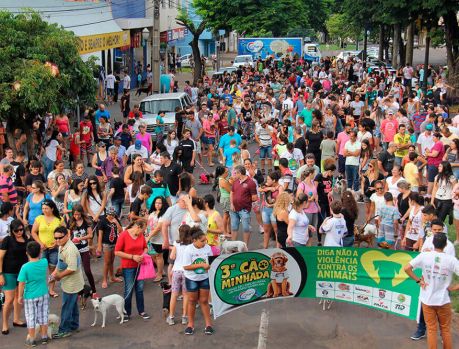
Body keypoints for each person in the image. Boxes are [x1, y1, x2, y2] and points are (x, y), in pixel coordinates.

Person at [404, 233, 459, 349]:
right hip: (443, 300)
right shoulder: (451, 260)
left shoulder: (424, 256)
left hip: (427, 299)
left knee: (431, 329)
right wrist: (454, 287)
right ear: (445, 245)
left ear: (433, 243)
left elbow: (406, 268)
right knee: (445, 329)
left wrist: (418, 281)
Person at [51, 226, 84, 339]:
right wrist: (54, 273)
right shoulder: (62, 246)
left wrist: (58, 276)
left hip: (72, 284)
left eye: (60, 237)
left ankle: (64, 329)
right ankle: (74, 325)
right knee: (72, 304)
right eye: (56, 238)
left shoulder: (70, 249)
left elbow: (71, 268)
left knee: (67, 306)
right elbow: (60, 263)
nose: (58, 240)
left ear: (67, 235)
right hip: (69, 282)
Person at [114, 220, 150, 322]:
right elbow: (116, 252)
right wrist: (132, 257)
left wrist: (143, 255)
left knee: (140, 288)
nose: (143, 233)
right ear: (138, 227)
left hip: (140, 266)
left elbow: (145, 247)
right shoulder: (124, 235)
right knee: (128, 290)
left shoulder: (140, 236)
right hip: (128, 266)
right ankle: (126, 313)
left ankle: (141, 311)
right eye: (143, 230)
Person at [182, 227, 214, 336]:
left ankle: (208, 325)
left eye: (205, 240)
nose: (205, 243)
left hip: (204, 278)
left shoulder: (208, 248)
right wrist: (201, 265)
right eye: (202, 241)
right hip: (192, 279)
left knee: (204, 301)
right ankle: (190, 325)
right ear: (194, 240)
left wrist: (210, 266)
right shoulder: (188, 250)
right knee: (192, 301)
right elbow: (186, 267)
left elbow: (211, 262)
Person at [17, 241, 49, 346]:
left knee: (31, 317)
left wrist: (19, 296)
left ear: (27, 253)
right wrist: (41, 250)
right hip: (43, 293)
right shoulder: (44, 262)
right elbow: (42, 255)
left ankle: (32, 339)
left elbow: (21, 284)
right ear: (40, 252)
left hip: (30, 296)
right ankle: (44, 337)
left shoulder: (25, 267)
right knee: (43, 315)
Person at [0, 219, 29, 335]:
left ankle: (16, 319)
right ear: (12, 231)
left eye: (21, 229)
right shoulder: (7, 240)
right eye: (17, 230)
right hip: (8, 272)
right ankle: (5, 324)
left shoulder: (26, 239)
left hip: (21, 273)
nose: (19, 232)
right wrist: (1, 274)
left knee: (19, 296)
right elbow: (0, 258)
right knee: (9, 299)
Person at [30, 200, 63, 298]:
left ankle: (51, 289)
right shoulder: (39, 218)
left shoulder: (59, 219)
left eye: (46, 208)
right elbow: (33, 232)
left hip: (54, 248)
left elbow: (65, 231)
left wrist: (57, 242)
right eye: (43, 208)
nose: (44, 210)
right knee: (40, 268)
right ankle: (39, 289)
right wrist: (40, 243)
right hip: (42, 249)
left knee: (52, 269)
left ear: (52, 208)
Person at [68, 205, 96, 295]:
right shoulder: (71, 221)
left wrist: (80, 238)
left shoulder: (86, 222)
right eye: (75, 215)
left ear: (81, 213)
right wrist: (70, 240)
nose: (76, 216)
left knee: (87, 270)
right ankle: (79, 291)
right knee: (76, 271)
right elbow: (68, 235)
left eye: (78, 214)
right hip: (74, 249)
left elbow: (90, 235)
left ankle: (94, 290)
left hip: (84, 248)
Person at [167, 224, 191, 326]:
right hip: (187, 272)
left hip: (176, 271)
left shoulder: (176, 243)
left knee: (174, 294)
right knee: (186, 295)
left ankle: (171, 317)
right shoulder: (191, 245)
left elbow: (172, 256)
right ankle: (184, 317)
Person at [230, 165, 257, 245]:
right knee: (234, 228)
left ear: (240, 173)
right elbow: (232, 193)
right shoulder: (236, 182)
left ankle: (245, 247)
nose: (234, 174)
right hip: (234, 209)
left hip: (244, 210)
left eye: (235, 173)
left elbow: (255, 198)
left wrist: (244, 201)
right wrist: (232, 204)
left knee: (246, 228)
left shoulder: (251, 183)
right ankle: (233, 246)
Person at [97, 207, 123, 289]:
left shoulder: (115, 220)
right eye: (110, 214)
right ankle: (104, 280)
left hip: (114, 243)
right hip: (106, 244)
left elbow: (121, 231)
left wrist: (116, 222)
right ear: (106, 214)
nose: (111, 216)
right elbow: (100, 234)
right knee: (107, 262)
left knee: (111, 261)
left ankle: (112, 277)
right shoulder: (103, 221)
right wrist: (99, 246)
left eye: (113, 215)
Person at [146, 196, 169, 282]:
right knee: (152, 255)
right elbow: (148, 224)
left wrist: (148, 237)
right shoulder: (152, 213)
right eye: (156, 203)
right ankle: (161, 270)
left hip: (159, 239)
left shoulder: (163, 215)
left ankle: (159, 274)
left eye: (159, 203)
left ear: (163, 204)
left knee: (159, 256)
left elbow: (158, 228)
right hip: (150, 238)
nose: (157, 204)